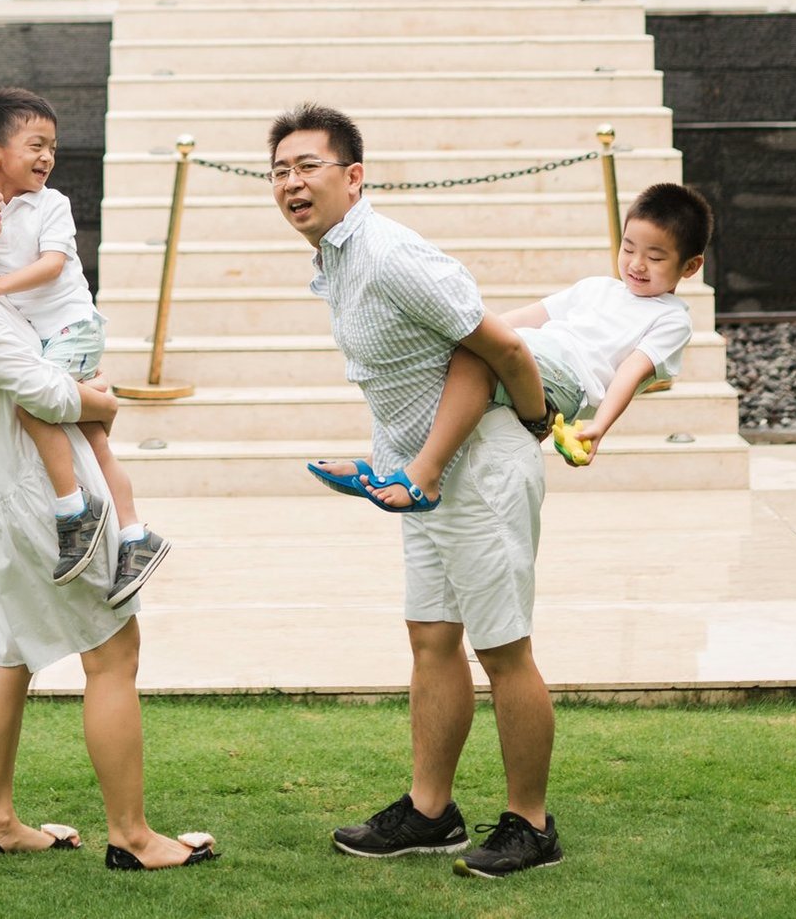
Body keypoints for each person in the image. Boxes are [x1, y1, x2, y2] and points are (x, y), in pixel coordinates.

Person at [0, 126, 215, 871]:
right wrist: (101, 402)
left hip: (5, 498)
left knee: (11, 654)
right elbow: (41, 391)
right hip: (37, 504)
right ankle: (132, 838)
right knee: (113, 651)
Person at [273, 102, 561, 880]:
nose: (292, 183)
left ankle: (531, 824)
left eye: (308, 167)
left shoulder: (390, 252)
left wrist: (535, 423)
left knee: (504, 649)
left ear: (354, 176)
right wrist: (380, 468)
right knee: (432, 638)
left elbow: (498, 344)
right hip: (423, 476)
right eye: (280, 171)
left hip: (482, 467)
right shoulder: (337, 258)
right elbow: (408, 377)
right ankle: (431, 812)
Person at [0, 87, 167, 608]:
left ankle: (73, 510)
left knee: (34, 405)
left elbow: (54, 265)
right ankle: (134, 535)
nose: (48, 157)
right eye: (36, 145)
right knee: (97, 443)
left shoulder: (50, 205)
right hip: (47, 338)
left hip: (73, 329)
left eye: (53, 146)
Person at [330, 183, 712, 505]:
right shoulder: (597, 287)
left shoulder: (670, 318)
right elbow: (527, 317)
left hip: (566, 381)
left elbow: (632, 371)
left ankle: (426, 477)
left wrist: (600, 425)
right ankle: (382, 460)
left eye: (655, 257)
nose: (636, 265)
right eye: (629, 249)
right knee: (445, 357)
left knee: (476, 359)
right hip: (535, 354)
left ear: (690, 266)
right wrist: (464, 331)